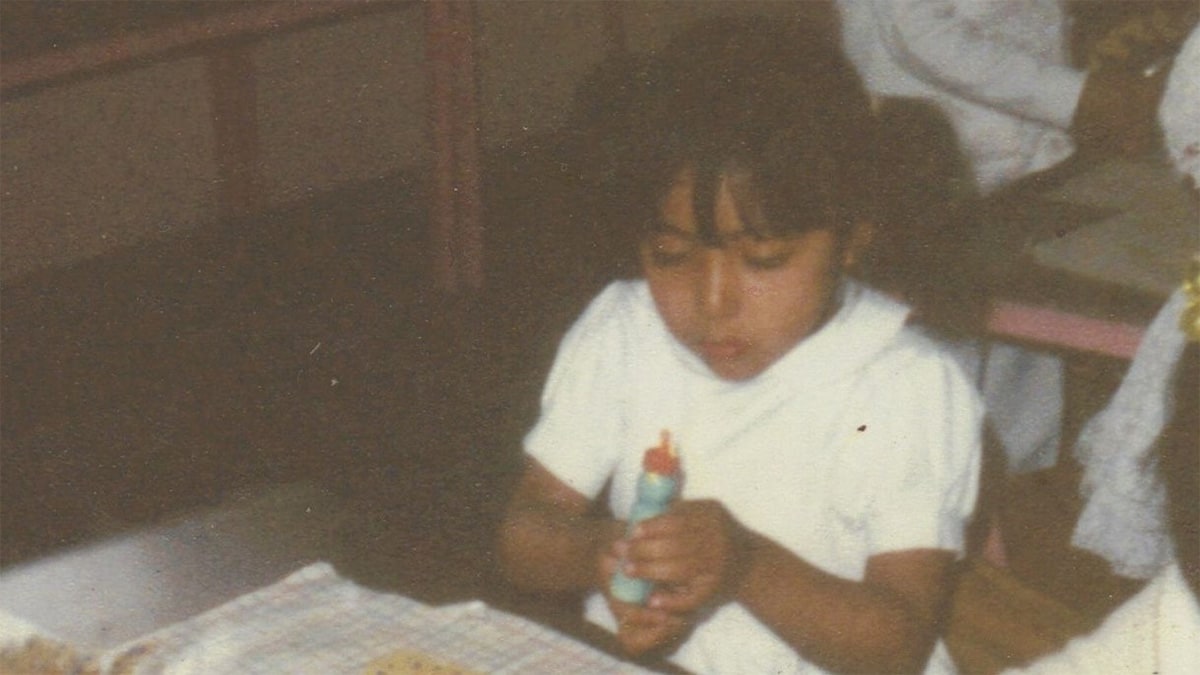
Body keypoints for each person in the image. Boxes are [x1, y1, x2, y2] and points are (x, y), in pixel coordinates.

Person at [496, 19, 983, 675]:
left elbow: (895, 645)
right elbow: (524, 536)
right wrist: (606, 550)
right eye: (669, 256)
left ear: (850, 239)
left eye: (764, 259)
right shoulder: (625, 331)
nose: (713, 301)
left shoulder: (903, 386)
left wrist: (745, 565)